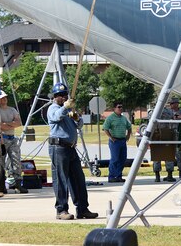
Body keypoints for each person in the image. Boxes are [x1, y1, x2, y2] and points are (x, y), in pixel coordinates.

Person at [47, 82, 97, 220]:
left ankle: (82, 209)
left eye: (65, 95)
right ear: (55, 97)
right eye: (60, 95)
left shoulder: (68, 110)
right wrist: (65, 107)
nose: (63, 97)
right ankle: (61, 210)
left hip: (70, 147)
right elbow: (56, 117)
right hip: (58, 147)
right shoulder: (53, 108)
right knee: (61, 179)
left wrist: (77, 117)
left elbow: (79, 125)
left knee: (78, 179)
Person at [0, 90, 28, 194]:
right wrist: (11, 124)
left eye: (5, 97)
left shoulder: (12, 110)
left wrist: (7, 124)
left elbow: (19, 123)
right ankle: (1, 185)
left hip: (12, 138)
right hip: (2, 138)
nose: (4, 99)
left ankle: (17, 184)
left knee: (16, 161)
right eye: (2, 98)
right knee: (0, 162)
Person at [152, 98, 180, 183]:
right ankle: (169, 175)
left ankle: (157, 176)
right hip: (167, 133)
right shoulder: (169, 112)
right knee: (168, 155)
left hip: (156, 134)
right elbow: (173, 119)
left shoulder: (153, 112)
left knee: (157, 156)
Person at [102, 103, 131, 183]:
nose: (121, 108)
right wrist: (111, 137)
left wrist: (128, 135)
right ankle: (111, 176)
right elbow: (105, 128)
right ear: (114, 108)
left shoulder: (123, 118)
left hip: (122, 141)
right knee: (115, 159)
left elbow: (129, 127)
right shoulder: (110, 118)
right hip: (115, 142)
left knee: (122, 159)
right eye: (119, 107)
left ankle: (118, 176)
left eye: (121, 107)